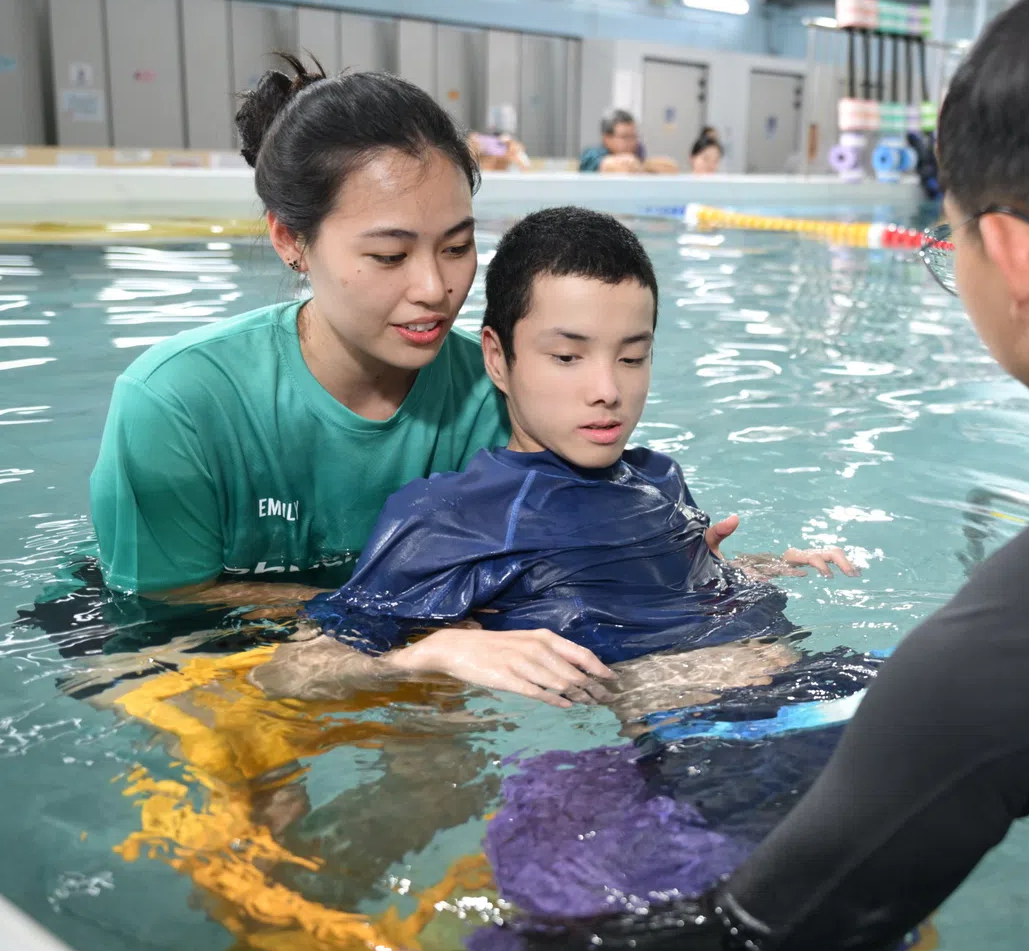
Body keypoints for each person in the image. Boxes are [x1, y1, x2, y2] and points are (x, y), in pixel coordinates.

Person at [411, 0, 1029, 951]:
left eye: (947, 251)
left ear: (1018, 260)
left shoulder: (1027, 635)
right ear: (505, 359)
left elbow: (755, 943)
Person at [88, 57, 738, 705]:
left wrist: (668, 569)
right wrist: (402, 630)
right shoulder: (179, 404)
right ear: (290, 240)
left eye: (456, 247)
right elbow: (163, 621)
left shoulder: (508, 391)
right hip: (198, 661)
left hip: (413, 646)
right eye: (389, 256)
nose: (436, 289)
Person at [250, 208, 857, 705]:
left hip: (817, 677)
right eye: (567, 357)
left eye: (631, 356)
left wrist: (762, 567)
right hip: (702, 739)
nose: (607, 389)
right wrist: (433, 652)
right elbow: (295, 668)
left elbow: (629, 583)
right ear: (497, 359)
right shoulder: (452, 519)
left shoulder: (658, 479)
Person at [578, 109, 679, 175]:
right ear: (607, 138)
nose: (631, 142)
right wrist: (644, 167)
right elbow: (613, 166)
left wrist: (641, 165)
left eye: (634, 136)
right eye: (625, 137)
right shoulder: (591, 155)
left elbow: (672, 167)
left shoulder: (637, 153)